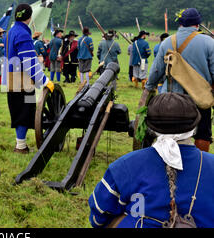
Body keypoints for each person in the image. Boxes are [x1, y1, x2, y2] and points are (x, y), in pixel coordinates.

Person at [89, 93, 214, 228]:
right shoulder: (210, 163)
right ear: (194, 127)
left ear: (150, 127)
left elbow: (98, 215)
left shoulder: (125, 165)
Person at [146, 8, 214, 153]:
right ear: (197, 24)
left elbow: (156, 70)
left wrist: (149, 87)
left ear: (180, 23)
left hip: (171, 98)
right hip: (199, 98)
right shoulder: (209, 42)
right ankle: (199, 164)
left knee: (169, 133)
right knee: (203, 134)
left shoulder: (167, 42)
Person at [4, 3, 54, 154]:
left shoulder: (11, 31)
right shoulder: (23, 34)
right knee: (24, 111)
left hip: (11, 76)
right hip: (22, 78)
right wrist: (45, 80)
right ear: (30, 17)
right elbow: (29, 62)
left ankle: (21, 144)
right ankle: (20, 147)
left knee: (19, 110)